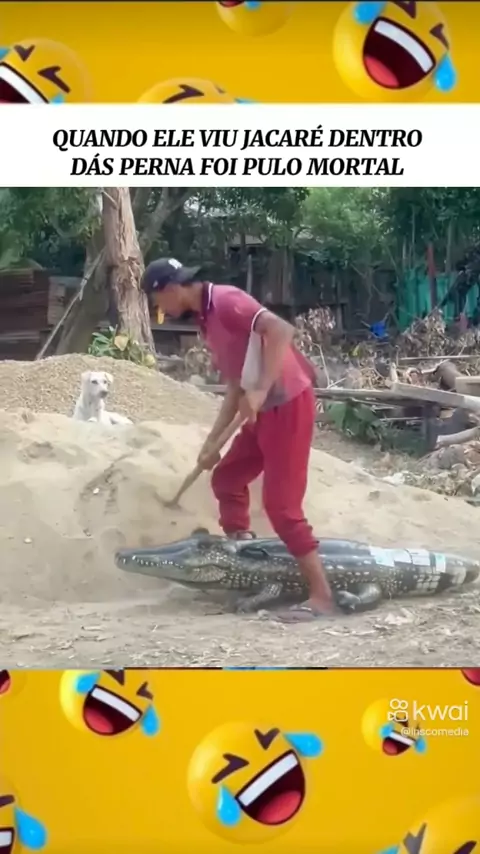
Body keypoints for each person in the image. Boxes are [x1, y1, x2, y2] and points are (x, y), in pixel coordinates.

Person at [140, 258, 337, 621]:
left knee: (282, 508)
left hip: (287, 404)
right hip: (259, 410)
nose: (159, 309)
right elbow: (235, 385)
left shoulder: (227, 301)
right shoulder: (206, 318)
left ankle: (322, 596)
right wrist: (212, 442)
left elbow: (281, 330)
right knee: (227, 479)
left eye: (157, 301)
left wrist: (260, 389)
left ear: (170, 289)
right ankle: (244, 556)